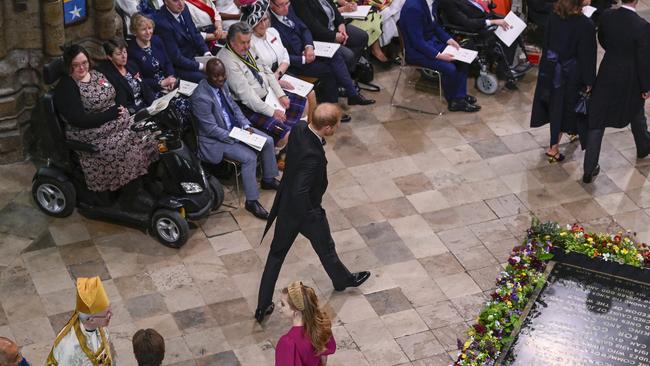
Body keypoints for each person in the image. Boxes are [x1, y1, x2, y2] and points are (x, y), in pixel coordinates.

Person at [255, 103, 371, 323]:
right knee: (326, 248)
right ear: (326, 128)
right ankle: (342, 280)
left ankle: (262, 307)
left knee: (275, 256)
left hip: (286, 208)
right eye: (335, 124)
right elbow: (301, 190)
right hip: (305, 213)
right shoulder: (312, 155)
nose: (337, 127)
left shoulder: (300, 128)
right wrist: (312, 214)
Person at [53, 45, 158, 194]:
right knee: (126, 149)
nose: (82, 68)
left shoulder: (96, 74)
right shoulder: (67, 87)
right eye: (76, 65)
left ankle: (147, 181)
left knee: (147, 133)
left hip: (115, 121)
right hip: (90, 132)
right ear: (68, 66)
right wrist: (112, 113)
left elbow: (118, 90)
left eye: (84, 63)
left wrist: (120, 106)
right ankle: (131, 196)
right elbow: (79, 120)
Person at [191, 58, 280, 219]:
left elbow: (234, 107)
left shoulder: (223, 85)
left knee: (268, 141)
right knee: (249, 158)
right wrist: (237, 137)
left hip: (234, 129)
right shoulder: (200, 97)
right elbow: (210, 129)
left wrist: (245, 126)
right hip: (216, 140)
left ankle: (268, 179)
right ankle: (251, 202)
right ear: (207, 76)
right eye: (216, 76)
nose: (220, 79)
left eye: (222, 75)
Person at [582, 0, 650, 183]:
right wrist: (646, 87)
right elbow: (644, 59)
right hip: (630, 76)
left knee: (598, 118)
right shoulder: (642, 26)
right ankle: (643, 146)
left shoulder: (607, 16)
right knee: (636, 110)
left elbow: (602, 39)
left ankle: (588, 168)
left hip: (608, 70)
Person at [268, 0, 375, 115]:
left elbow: (304, 29)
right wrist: (303, 59)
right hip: (296, 63)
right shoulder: (270, 24)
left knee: (335, 55)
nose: (286, 8)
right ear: (271, 4)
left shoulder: (287, 10)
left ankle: (352, 94)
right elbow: (280, 55)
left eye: (287, 3)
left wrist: (309, 46)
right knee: (330, 69)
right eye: (281, 5)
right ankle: (331, 109)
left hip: (308, 49)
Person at [217, 22, 304, 148]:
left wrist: (280, 94)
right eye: (243, 42)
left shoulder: (248, 47)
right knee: (285, 133)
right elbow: (247, 97)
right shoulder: (227, 61)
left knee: (304, 102)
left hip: (268, 95)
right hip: (249, 106)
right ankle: (278, 156)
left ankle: (299, 143)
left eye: (249, 41)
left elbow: (266, 70)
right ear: (231, 41)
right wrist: (272, 112)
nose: (247, 46)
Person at [530, 0, 596, 162]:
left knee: (556, 105)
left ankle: (565, 135)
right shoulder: (585, 24)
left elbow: (546, 43)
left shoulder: (554, 16)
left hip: (552, 68)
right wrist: (589, 81)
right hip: (571, 73)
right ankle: (553, 148)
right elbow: (587, 55)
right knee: (563, 108)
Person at [241, 1, 317, 126]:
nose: (263, 24)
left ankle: (311, 130)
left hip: (282, 72)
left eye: (265, 19)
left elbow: (285, 57)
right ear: (251, 24)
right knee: (304, 102)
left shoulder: (273, 32)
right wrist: (274, 80)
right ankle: (298, 132)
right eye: (258, 21)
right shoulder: (249, 43)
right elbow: (255, 72)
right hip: (264, 82)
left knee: (311, 93)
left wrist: (278, 74)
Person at [399, 0, 481, 112]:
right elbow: (417, 42)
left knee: (462, 59)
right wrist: (439, 55)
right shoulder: (413, 8)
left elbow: (435, 26)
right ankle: (453, 101)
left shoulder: (431, 3)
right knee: (450, 68)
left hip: (432, 44)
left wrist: (449, 40)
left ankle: (459, 97)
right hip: (417, 52)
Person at [437, 0, 532, 75]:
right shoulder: (448, 2)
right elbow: (467, 23)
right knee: (508, 33)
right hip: (476, 27)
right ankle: (505, 69)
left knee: (515, 28)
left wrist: (488, 3)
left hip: (486, 17)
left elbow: (477, 5)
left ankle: (509, 64)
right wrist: (493, 22)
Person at [127, 13, 192, 122]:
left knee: (192, 101)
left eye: (150, 28)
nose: (148, 32)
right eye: (143, 29)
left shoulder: (156, 40)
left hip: (169, 84)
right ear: (134, 32)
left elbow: (167, 62)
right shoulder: (131, 51)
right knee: (178, 107)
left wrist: (171, 78)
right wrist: (160, 84)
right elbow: (139, 80)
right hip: (152, 89)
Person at [46, 277, 113, 366]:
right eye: (107, 314)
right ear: (91, 320)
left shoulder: (101, 328)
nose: (111, 315)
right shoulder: (70, 348)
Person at [292, 0, 369, 72]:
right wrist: (333, 36)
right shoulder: (299, 2)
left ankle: (347, 72)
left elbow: (333, 8)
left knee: (362, 37)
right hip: (319, 37)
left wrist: (341, 24)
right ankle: (340, 78)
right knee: (348, 55)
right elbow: (312, 27)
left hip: (333, 27)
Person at [275, 281, 336, 365]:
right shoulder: (321, 325)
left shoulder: (287, 343)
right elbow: (323, 360)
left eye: (282, 304)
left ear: (296, 311)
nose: (278, 305)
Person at [154, 0, 212, 82]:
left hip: (195, 57)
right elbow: (176, 58)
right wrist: (202, 66)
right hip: (180, 66)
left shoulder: (184, 9)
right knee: (210, 78)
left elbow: (194, 32)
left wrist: (206, 53)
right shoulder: (162, 23)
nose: (181, 3)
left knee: (220, 68)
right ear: (166, 2)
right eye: (175, 1)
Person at [99, 39, 155, 114]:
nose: (124, 56)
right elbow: (121, 103)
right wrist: (140, 111)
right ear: (109, 57)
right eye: (119, 54)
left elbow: (145, 87)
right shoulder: (109, 76)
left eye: (125, 52)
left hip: (148, 105)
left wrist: (154, 103)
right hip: (133, 112)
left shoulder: (132, 65)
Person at [334, 0, 391, 66]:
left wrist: (347, 4)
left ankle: (377, 50)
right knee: (367, 21)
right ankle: (376, 52)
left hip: (343, 12)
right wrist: (343, 9)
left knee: (373, 15)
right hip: (335, 20)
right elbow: (327, 13)